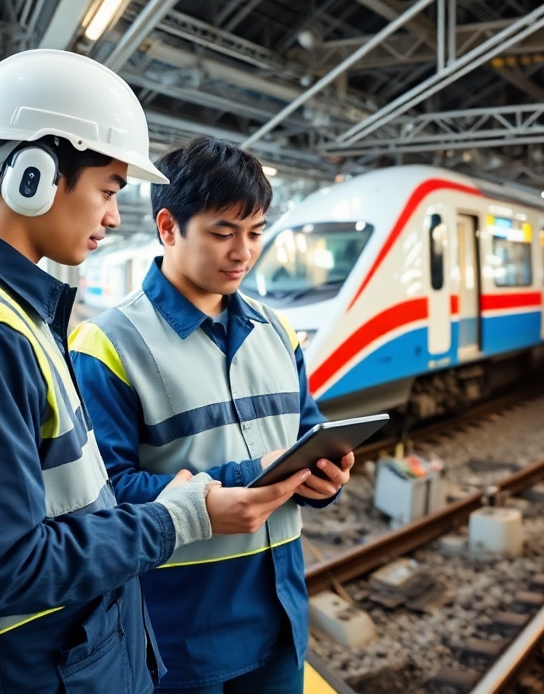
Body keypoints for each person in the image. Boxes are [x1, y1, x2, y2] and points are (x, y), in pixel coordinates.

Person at [0, 51, 308, 694]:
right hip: (16, 672)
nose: (112, 215)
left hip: (49, 662)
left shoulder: (9, 313)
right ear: (36, 174)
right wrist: (182, 517)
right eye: (107, 189)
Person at [71, 138, 353, 693]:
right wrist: (250, 475)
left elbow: (306, 437)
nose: (243, 252)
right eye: (223, 233)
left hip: (279, 617)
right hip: (174, 637)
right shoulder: (106, 344)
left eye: (255, 232)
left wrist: (326, 478)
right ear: (169, 227)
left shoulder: (277, 332)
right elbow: (101, 497)